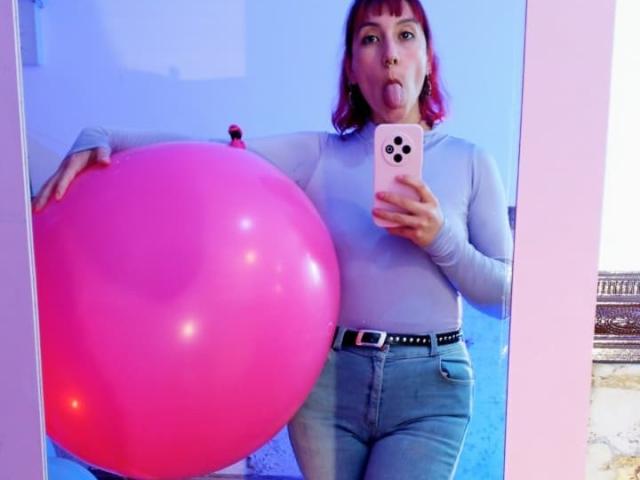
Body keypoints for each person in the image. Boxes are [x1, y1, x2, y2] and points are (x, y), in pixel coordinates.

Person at [33, 0, 513, 478]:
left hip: (432, 385)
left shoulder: (471, 163)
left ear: (428, 58)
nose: (390, 53)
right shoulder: (320, 155)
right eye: (370, 38)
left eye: (406, 35)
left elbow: (506, 296)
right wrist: (108, 136)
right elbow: (214, 154)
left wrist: (439, 237)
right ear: (351, 69)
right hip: (330, 389)